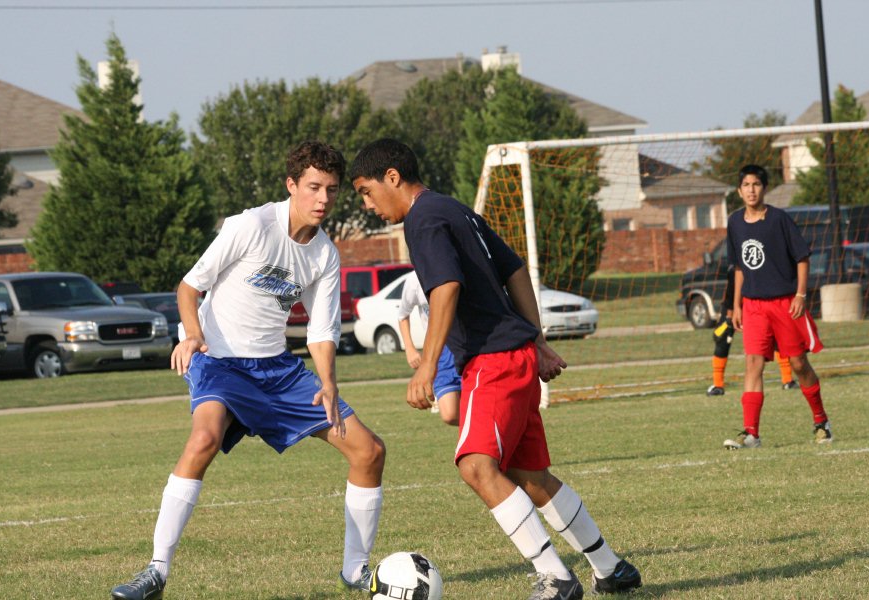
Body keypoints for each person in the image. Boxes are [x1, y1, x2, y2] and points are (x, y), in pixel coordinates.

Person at [350, 139, 641, 599]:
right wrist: (537, 339)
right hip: (516, 354)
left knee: (475, 465)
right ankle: (611, 567)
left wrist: (426, 366)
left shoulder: (423, 219)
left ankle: (558, 579)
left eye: (366, 191)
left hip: (494, 361)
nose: (367, 204)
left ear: (392, 177)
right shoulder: (455, 209)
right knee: (531, 476)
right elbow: (515, 269)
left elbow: (446, 288)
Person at [111, 141, 386, 600]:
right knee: (203, 439)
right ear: (291, 185)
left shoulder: (324, 255)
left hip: (278, 371)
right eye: (314, 187)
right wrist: (193, 336)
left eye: (332, 190)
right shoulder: (251, 225)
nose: (323, 199)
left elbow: (321, 331)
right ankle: (155, 572)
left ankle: (356, 571)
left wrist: (329, 384)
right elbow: (188, 287)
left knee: (369, 451)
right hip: (219, 362)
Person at [723, 164, 832, 450]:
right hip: (754, 305)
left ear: (764, 188)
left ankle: (821, 421)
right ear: (739, 190)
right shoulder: (734, 222)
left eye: (756, 184)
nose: (751, 190)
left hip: (785, 303)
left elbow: (802, 258)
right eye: (746, 185)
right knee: (752, 364)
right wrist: (736, 306)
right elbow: (738, 267)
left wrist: (800, 295)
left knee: (798, 364)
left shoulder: (780, 220)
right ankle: (751, 434)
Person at [707, 263, 797, 396]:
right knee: (723, 338)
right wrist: (729, 316)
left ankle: (787, 380)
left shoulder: (767, 266)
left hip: (759, 303)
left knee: (777, 335)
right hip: (736, 304)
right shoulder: (736, 270)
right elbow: (730, 297)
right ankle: (718, 385)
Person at [397, 270, 461, 425]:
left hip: (466, 345)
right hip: (440, 350)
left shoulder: (456, 271)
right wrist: (410, 349)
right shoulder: (414, 281)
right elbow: (402, 316)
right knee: (450, 415)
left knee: (476, 406)